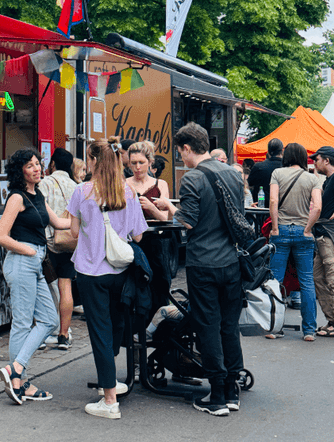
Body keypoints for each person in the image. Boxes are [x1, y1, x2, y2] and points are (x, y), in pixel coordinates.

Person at [156, 122, 244, 417]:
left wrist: (168, 209)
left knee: (207, 327)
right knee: (229, 328)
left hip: (203, 263)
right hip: (232, 262)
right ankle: (233, 389)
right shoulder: (232, 173)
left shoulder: (191, 178)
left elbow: (188, 222)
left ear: (186, 148)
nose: (181, 157)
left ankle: (217, 395)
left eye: (180, 152)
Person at [67, 137, 147, 420]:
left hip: (90, 271)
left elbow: (74, 232)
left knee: (99, 332)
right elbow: (138, 235)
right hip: (121, 270)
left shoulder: (82, 191)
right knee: (115, 326)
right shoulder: (128, 192)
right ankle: (110, 380)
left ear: (93, 161)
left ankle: (110, 399)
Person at [0, 148, 70, 405]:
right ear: (21, 172)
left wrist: (87, 211)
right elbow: (0, 235)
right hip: (22, 261)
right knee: (23, 323)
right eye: (30, 166)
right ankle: (20, 381)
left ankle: (15, 369)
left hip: (36, 264)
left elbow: (60, 223)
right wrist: (27, 249)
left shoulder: (37, 195)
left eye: (38, 164)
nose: (37, 168)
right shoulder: (17, 197)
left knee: (49, 319)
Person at [268, 143, 321, 341]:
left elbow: (273, 201)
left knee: (275, 280)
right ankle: (309, 330)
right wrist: (307, 228)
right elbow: (317, 207)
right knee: (307, 281)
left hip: (280, 229)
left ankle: (274, 328)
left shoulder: (277, 173)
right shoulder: (312, 178)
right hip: (303, 232)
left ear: (286, 156)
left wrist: (274, 227)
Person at [125, 140, 174, 317]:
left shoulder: (160, 185)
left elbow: (166, 219)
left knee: (158, 285)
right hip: (131, 242)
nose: (137, 167)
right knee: (134, 287)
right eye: (133, 163)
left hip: (155, 242)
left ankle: (158, 328)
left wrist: (151, 208)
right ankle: (135, 330)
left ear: (150, 162)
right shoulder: (124, 183)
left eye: (141, 162)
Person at [39, 147, 77, 350]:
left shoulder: (44, 184)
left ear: (52, 163)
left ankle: (45, 332)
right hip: (70, 242)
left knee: (44, 289)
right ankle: (64, 334)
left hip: (49, 242)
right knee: (66, 287)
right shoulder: (75, 186)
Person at [310, 146, 334, 337]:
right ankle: (333, 321)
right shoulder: (330, 180)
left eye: (316, 159)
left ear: (326, 160)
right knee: (319, 277)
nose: (314, 162)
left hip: (331, 236)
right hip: (324, 235)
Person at [248, 138, 283, 206]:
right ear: (282, 151)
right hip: (281, 207)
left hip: (262, 208)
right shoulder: (286, 167)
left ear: (268, 151)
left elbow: (250, 183)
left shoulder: (258, 167)